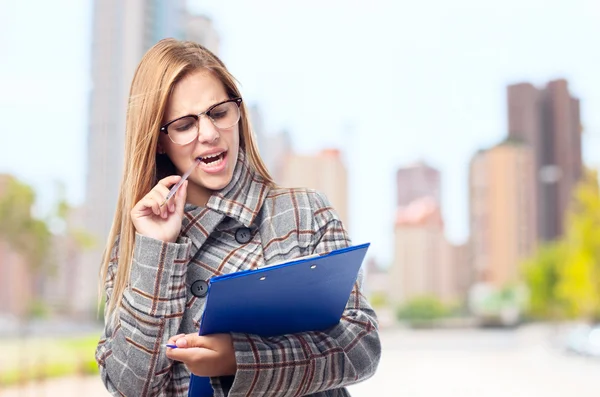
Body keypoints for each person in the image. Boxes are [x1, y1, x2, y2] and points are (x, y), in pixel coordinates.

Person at [95, 38, 381, 397]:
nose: (210, 134)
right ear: (159, 140)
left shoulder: (304, 212)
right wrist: (158, 248)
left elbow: (361, 347)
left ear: (238, 113)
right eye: (185, 124)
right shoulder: (138, 246)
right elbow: (129, 386)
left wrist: (240, 359)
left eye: (218, 113)